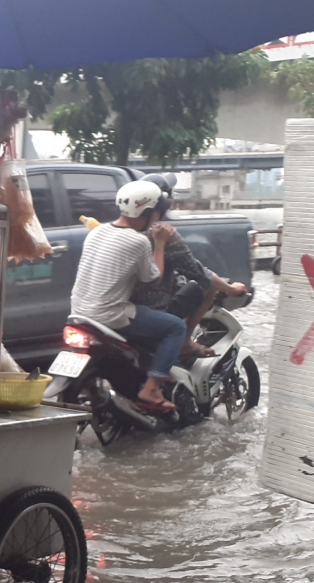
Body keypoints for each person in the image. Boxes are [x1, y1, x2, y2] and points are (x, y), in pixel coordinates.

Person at [70, 179, 188, 411]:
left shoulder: (97, 232)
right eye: (155, 213)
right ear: (148, 212)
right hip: (110, 315)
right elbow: (153, 281)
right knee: (175, 327)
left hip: (78, 313)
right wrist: (160, 243)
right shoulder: (138, 241)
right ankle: (152, 388)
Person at [129, 175, 248, 356]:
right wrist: (231, 289)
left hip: (120, 308)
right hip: (153, 311)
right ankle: (184, 341)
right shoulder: (164, 236)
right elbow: (200, 273)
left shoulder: (117, 234)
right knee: (205, 287)